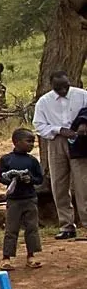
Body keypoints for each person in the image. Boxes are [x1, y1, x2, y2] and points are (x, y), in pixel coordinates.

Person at [36, 72, 87, 240]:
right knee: (59, 184)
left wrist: (83, 125)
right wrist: (58, 130)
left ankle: (86, 224)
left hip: (80, 141)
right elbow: (39, 125)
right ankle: (66, 225)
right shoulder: (44, 102)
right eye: (59, 88)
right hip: (56, 141)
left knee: (83, 183)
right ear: (52, 86)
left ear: (69, 82)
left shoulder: (82, 95)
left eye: (65, 86)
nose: (63, 90)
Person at [0, 127, 48, 269]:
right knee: (11, 229)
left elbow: (39, 179)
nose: (31, 144)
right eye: (28, 141)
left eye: (33, 142)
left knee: (32, 228)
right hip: (14, 199)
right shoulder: (6, 159)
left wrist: (29, 179)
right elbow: (1, 177)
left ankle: (31, 256)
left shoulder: (32, 161)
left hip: (30, 199)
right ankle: (6, 258)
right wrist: (10, 178)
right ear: (16, 142)